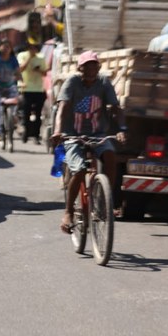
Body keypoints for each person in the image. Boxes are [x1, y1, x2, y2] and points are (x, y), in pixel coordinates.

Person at [51, 51, 127, 234]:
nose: (91, 69)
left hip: (97, 133)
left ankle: (105, 199)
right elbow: (63, 108)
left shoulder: (103, 82)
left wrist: (122, 129)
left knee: (110, 156)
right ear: (80, 68)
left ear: (98, 67)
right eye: (87, 66)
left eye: (94, 65)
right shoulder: (73, 82)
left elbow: (115, 108)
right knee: (79, 170)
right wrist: (58, 131)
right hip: (72, 135)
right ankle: (68, 212)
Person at [0, 39, 21, 142]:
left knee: (16, 103)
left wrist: (21, 81)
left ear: (11, 49)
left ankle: (13, 119)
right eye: (4, 46)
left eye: (8, 47)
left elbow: (18, 73)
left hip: (10, 86)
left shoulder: (13, 59)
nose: (6, 49)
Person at [17, 42, 47, 144]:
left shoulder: (41, 57)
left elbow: (45, 72)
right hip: (26, 89)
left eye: (34, 48)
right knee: (26, 112)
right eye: (31, 48)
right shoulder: (22, 55)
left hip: (38, 89)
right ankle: (26, 132)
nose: (33, 50)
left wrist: (38, 70)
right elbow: (20, 69)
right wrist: (29, 58)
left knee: (38, 114)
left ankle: (36, 135)